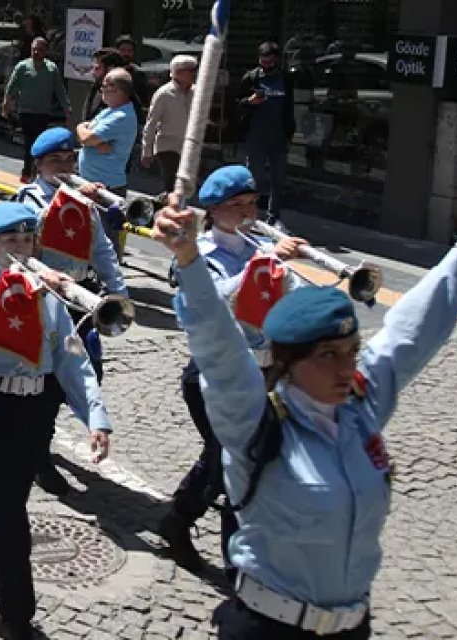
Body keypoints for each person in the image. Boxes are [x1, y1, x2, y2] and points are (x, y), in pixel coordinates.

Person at [146, 170, 457, 639]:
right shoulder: (258, 421)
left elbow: (407, 336)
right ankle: (184, 525)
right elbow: (218, 342)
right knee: (218, 461)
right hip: (269, 627)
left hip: (351, 626)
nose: (346, 369)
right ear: (292, 362)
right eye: (328, 356)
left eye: (352, 353)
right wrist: (190, 260)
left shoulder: (358, 405)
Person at [0, 202, 113, 640]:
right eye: (11, 241)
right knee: (13, 523)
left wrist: (96, 417)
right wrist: (16, 287)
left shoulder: (48, 296)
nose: (22, 249)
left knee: (7, 508)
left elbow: (72, 357)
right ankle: (19, 619)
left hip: (33, 414)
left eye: (27, 240)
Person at [156, 165, 308, 575]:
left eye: (252, 203)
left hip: (266, 371)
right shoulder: (197, 253)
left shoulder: (261, 245)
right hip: (215, 374)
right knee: (229, 461)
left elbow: (294, 297)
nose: (247, 212)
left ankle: (184, 525)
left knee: (238, 462)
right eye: (236, 205)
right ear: (213, 211)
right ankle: (231, 562)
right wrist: (263, 264)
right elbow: (214, 299)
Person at [10, 127, 125, 494]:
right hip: (47, 298)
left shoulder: (83, 201)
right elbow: (22, 249)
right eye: (55, 161)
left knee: (90, 370)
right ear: (39, 165)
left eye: (69, 160)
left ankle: (52, 428)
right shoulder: (30, 200)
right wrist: (66, 198)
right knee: (48, 382)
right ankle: (39, 456)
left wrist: (118, 294)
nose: (64, 166)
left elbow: (103, 250)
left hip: (82, 298)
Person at [77, 68, 137, 252]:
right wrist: (84, 130)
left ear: (116, 89)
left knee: (106, 242)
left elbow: (86, 138)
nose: (101, 90)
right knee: (88, 238)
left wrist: (85, 133)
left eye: (104, 86)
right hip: (92, 184)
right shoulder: (109, 111)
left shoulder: (121, 117)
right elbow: (86, 132)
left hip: (106, 189)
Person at [238, 42, 296, 220]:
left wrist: (289, 133)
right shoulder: (251, 77)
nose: (266, 65)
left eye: (270, 62)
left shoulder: (285, 79)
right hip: (256, 138)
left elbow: (289, 107)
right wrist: (249, 102)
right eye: (263, 61)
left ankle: (273, 216)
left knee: (278, 179)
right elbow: (237, 103)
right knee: (255, 178)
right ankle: (250, 215)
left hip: (279, 137)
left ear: (276, 60)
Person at [3, 37, 69, 181]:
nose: (36, 52)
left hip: (43, 112)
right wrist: (6, 104)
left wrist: (66, 107)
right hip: (26, 112)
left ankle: (36, 171)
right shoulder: (22, 67)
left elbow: (59, 89)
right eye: (34, 49)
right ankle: (27, 171)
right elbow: (11, 87)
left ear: (46, 52)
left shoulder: (51, 68)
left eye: (40, 50)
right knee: (29, 143)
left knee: (39, 143)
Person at [141, 54, 196, 192]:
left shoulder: (196, 92)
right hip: (168, 146)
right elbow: (151, 123)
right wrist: (147, 151)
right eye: (191, 70)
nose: (195, 73)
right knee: (172, 186)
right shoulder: (163, 94)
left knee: (186, 187)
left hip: (189, 147)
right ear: (178, 72)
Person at [83, 47, 125, 121]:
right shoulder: (96, 87)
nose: (93, 72)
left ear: (110, 69)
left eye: (97, 68)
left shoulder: (122, 97)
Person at [113, 35, 151, 115]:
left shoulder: (138, 73)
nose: (126, 53)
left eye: (129, 50)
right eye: (123, 50)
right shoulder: (109, 70)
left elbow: (143, 99)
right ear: (117, 51)